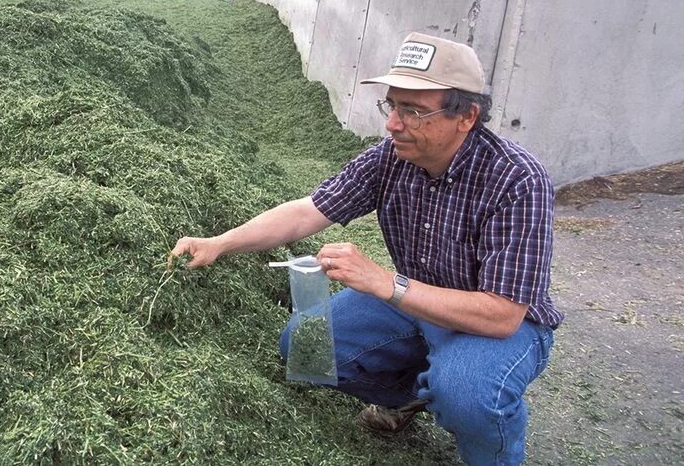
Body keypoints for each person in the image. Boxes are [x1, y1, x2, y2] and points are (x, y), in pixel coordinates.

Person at [171, 32, 560, 466]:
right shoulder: (390, 158)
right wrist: (219, 243)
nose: (393, 123)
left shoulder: (517, 180)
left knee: (467, 396)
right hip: (413, 298)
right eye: (392, 105)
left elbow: (503, 314)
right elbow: (305, 213)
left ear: (466, 116)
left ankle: (486, 445)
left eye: (413, 111)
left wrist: (383, 282)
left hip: (493, 321)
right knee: (305, 345)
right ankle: (413, 395)